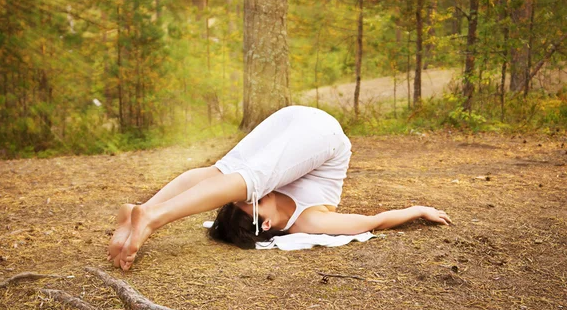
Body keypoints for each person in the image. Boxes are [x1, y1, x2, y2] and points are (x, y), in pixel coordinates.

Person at [108, 106, 451, 270]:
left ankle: (148, 212)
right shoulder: (313, 222)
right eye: (250, 203)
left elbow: (233, 183)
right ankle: (146, 215)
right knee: (233, 174)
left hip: (290, 118)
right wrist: (419, 210)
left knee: (228, 173)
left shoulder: (266, 187)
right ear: (267, 224)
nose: (252, 197)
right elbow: (373, 221)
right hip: (324, 135)